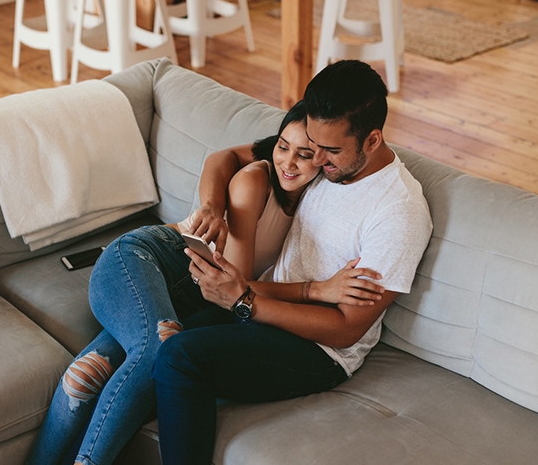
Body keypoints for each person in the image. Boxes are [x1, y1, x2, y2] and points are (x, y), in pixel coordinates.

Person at [26, 101, 382, 465]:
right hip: (152, 258)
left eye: (305, 154)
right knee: (159, 347)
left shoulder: (319, 191)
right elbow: (236, 285)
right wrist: (315, 289)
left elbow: (226, 157)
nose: (288, 162)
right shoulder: (256, 179)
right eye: (282, 147)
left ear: (325, 160)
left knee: (88, 376)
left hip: (190, 296)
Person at [151, 59, 434, 464]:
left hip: (317, 350)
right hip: (259, 308)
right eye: (313, 145)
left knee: (180, 355)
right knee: (154, 341)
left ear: (372, 140)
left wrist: (244, 302)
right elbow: (228, 157)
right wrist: (215, 211)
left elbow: (346, 330)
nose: (317, 158)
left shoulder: (398, 212)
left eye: (330, 150)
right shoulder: (324, 162)